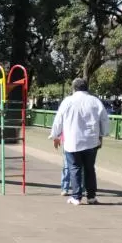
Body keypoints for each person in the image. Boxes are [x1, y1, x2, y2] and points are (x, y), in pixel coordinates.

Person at [49, 78, 109, 206]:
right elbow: (104, 119)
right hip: (91, 141)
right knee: (90, 169)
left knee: (74, 168)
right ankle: (91, 197)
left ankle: (76, 197)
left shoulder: (68, 101)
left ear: (73, 88)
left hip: (72, 141)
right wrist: (102, 135)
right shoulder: (95, 101)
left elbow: (58, 119)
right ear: (86, 88)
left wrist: (55, 135)